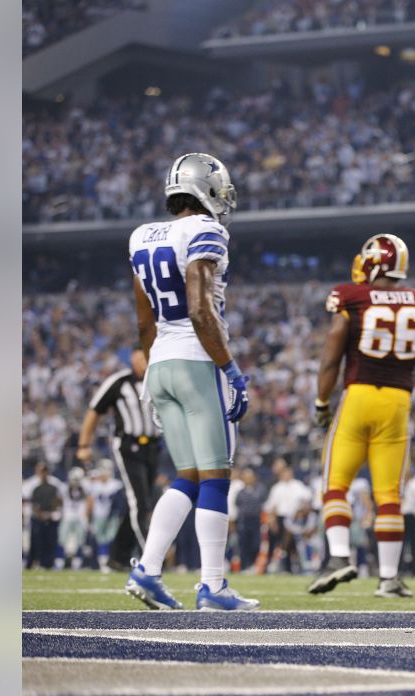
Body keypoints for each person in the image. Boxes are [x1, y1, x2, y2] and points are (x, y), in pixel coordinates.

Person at [124, 152, 258, 611]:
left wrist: (154, 364)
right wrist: (230, 369)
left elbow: (144, 321)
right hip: (198, 361)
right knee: (217, 477)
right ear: (208, 188)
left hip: (160, 362)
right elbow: (201, 310)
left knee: (187, 477)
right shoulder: (206, 230)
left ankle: (148, 569)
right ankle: (214, 587)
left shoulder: (141, 236)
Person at [308, 233, 415, 599]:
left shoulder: (353, 296)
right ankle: (389, 577)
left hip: (359, 396)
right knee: (389, 495)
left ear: (375, 262)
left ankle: (338, 557)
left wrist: (322, 401)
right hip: (399, 402)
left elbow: (333, 352)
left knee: (335, 483)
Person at [76, 348, 162, 570]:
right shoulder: (119, 382)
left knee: (142, 502)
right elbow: (94, 410)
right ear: (134, 358)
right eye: (144, 356)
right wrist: (84, 445)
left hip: (153, 446)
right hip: (128, 446)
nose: (148, 360)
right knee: (139, 503)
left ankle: (118, 557)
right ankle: (150, 558)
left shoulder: (159, 379)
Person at [266, 459, 314, 574]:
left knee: (296, 545)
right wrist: (272, 521)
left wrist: (302, 512)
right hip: (281, 518)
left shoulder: (298, 485)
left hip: (295, 518)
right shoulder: (277, 487)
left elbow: (307, 499)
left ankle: (299, 568)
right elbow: (272, 506)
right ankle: (284, 567)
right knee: (283, 545)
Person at [23, 460, 65, 569]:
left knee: (50, 541)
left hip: (51, 516)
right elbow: (27, 500)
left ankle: (48, 563)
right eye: (41, 470)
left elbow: (60, 499)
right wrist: (39, 513)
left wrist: (52, 512)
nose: (43, 472)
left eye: (45, 470)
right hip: (36, 516)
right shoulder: (31, 483)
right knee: (35, 541)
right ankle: (33, 562)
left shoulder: (55, 482)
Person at [232, 468, 267, 572]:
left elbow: (263, 504)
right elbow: (237, 504)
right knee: (243, 543)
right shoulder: (240, 492)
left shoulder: (260, 489)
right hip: (244, 520)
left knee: (256, 543)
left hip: (256, 520)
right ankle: (244, 566)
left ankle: (253, 564)